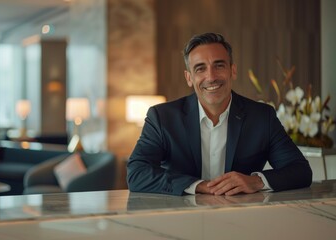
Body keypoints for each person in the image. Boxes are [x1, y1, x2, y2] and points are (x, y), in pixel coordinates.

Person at [127, 32, 312, 196]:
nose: (211, 77)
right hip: (180, 221)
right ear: (189, 78)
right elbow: (136, 173)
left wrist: (256, 181)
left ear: (233, 70)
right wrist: (198, 186)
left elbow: (300, 170)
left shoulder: (262, 117)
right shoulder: (162, 117)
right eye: (200, 68)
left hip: (241, 221)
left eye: (219, 65)